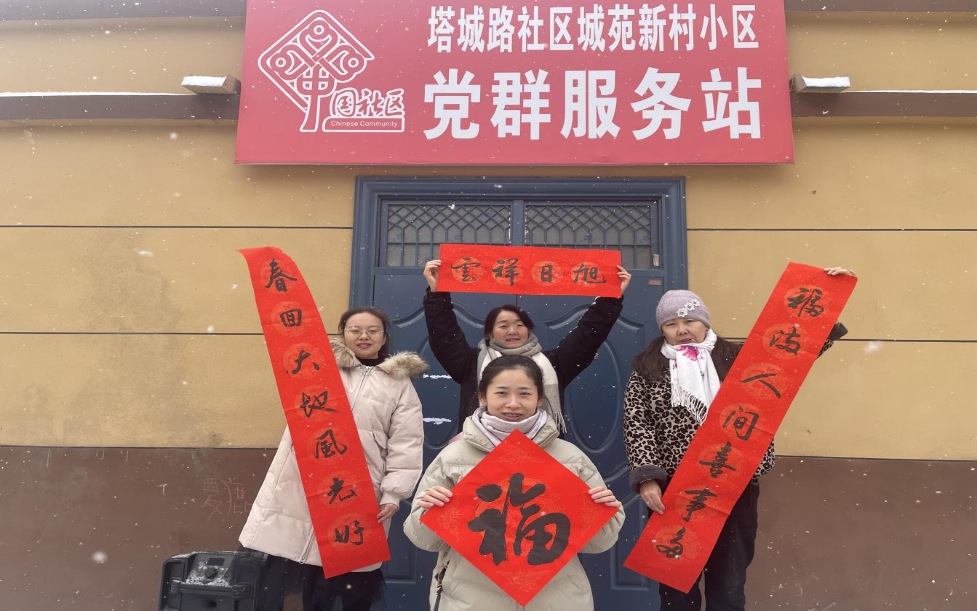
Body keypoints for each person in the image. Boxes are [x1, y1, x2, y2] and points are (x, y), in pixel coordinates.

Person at [623, 267, 855, 610]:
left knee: (729, 586)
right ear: (663, 330)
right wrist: (647, 478)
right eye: (671, 324)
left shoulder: (736, 359)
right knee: (675, 590)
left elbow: (790, 357)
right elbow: (637, 423)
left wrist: (829, 295)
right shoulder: (646, 368)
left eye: (689, 321)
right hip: (673, 488)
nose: (682, 330)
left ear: (705, 322)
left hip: (733, 483)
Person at [239, 306, 427, 611]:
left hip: (358, 489)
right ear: (343, 334)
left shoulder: (399, 385)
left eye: (373, 331)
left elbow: (406, 443)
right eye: (355, 330)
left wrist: (393, 492)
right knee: (286, 571)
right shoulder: (319, 368)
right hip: (302, 480)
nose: (364, 336)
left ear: (384, 338)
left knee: (344, 579)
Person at [404, 355, 625, 611]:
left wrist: (605, 513)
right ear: (482, 396)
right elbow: (425, 541)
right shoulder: (453, 457)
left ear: (539, 398)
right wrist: (430, 511)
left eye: (524, 394)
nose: (513, 403)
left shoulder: (570, 457)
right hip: (471, 600)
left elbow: (598, 544)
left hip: (557, 599)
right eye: (501, 393)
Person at [422, 258, 632, 433]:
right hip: (481, 450)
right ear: (490, 332)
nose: (512, 331)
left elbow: (587, 337)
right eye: (503, 325)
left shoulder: (554, 363)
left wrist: (610, 299)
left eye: (519, 325)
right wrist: (437, 293)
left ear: (529, 329)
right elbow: (444, 336)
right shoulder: (471, 363)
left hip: (542, 450)